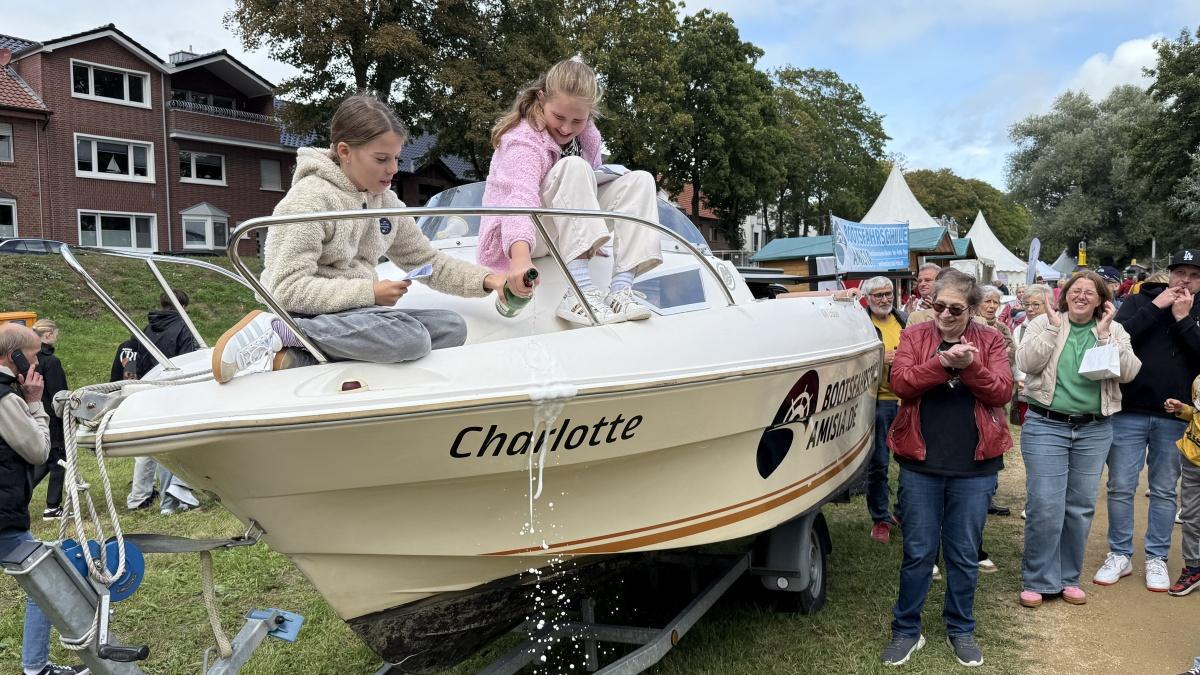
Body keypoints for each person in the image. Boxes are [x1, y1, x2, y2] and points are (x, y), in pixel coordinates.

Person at [211, 94, 508, 383]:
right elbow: (282, 289)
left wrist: (489, 280)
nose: (393, 169)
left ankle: (299, 358)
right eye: (382, 159)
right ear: (344, 152)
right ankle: (281, 331)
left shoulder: (387, 203)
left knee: (451, 327)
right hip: (309, 313)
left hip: (357, 314)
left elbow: (427, 261)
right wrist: (369, 293)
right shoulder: (309, 200)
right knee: (411, 338)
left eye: (395, 158)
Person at [881, 269, 1012, 668]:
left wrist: (970, 366)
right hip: (921, 462)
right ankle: (906, 630)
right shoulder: (915, 336)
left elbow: (1003, 391)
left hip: (975, 464)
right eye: (938, 306)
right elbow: (901, 383)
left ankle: (961, 628)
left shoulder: (990, 339)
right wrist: (942, 363)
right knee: (919, 551)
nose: (945, 314)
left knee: (962, 553)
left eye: (956, 308)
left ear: (972, 309)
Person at [477, 58, 663, 325]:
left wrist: (591, 237)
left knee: (641, 180)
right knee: (573, 166)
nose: (566, 128)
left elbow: (591, 182)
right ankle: (579, 292)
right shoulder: (522, 139)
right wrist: (520, 260)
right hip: (519, 235)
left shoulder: (588, 136)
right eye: (559, 117)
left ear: (590, 114)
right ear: (542, 99)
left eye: (578, 120)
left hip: (557, 226)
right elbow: (519, 198)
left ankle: (620, 290)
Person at [1017, 271, 1140, 608]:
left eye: (1091, 292)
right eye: (1076, 290)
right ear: (1065, 294)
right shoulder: (1044, 323)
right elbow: (1026, 362)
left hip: (1094, 429)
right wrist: (1055, 329)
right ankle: (1039, 579)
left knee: (1080, 507)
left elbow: (1128, 372)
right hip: (1047, 425)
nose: (1082, 296)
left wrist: (1103, 338)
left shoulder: (1114, 330)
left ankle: (1068, 577)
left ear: (1102, 300)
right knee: (1045, 504)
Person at [1094, 251, 1200, 591]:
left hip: (1175, 415)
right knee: (1121, 486)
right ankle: (1120, 553)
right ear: (1168, 276)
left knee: (1165, 490)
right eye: (1179, 273)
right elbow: (1118, 336)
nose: (1185, 280)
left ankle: (1156, 557)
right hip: (1129, 410)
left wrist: (1184, 318)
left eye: (1193, 275)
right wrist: (1159, 307)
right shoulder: (1141, 299)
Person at [0, 324, 87, 675]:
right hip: (3, 518)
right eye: (34, 355)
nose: (38, 362)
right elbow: (38, 451)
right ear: (15, 356)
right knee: (47, 583)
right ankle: (35, 668)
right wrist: (35, 404)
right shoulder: (5, 398)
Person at [112, 291, 202, 514]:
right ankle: (169, 500)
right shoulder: (184, 328)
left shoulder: (148, 328)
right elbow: (187, 362)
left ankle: (138, 496)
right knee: (170, 446)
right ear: (182, 306)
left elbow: (137, 357)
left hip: (148, 386)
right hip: (172, 389)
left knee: (146, 445)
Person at [861, 276, 907, 544]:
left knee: (910, 462)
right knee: (879, 463)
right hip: (876, 401)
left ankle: (901, 513)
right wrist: (882, 359)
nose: (885, 299)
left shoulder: (904, 319)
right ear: (868, 298)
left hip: (906, 400)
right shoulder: (861, 323)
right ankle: (880, 519)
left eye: (888, 294)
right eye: (878, 295)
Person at [1163, 371, 1200, 597]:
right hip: (1192, 460)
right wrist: (1181, 409)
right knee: (1191, 518)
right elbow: (1196, 414)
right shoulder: (1198, 378)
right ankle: (1194, 568)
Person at [29, 320, 67, 521]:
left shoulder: (29, 358)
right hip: (52, 417)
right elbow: (58, 395)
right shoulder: (51, 361)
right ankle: (52, 507)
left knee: (44, 460)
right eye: (56, 334)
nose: (57, 338)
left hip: (33, 413)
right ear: (48, 334)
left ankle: (20, 495)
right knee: (59, 460)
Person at [1012, 284, 1052, 427]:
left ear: (1049, 304)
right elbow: (1017, 358)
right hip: (1028, 389)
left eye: (1036, 305)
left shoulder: (1058, 326)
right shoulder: (1019, 330)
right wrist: (1020, 378)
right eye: (1026, 304)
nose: (1029, 309)